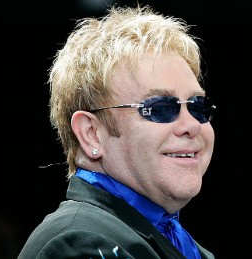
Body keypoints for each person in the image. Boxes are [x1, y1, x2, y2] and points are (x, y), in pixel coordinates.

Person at [18, 4, 216, 259]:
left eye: (197, 107)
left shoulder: (188, 248)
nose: (191, 125)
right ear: (91, 133)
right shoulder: (78, 244)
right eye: (160, 108)